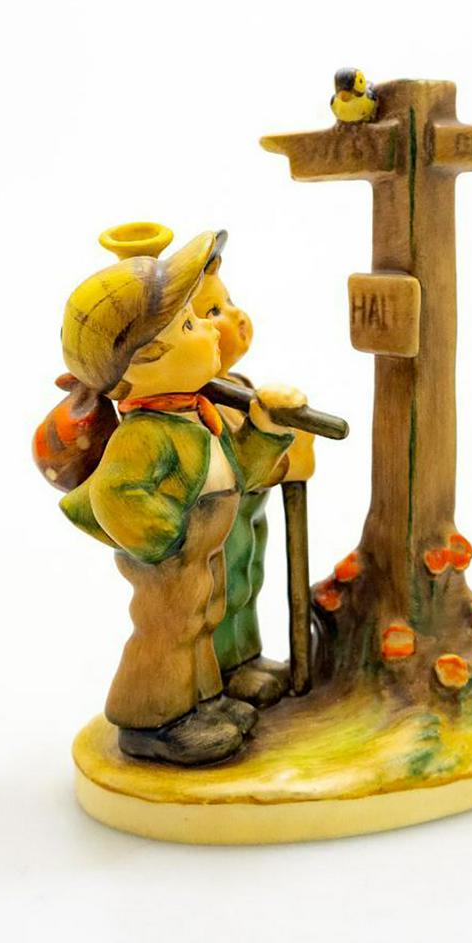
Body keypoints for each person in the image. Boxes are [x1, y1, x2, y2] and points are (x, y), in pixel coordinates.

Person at [57, 229, 306, 765]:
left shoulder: (194, 416)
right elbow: (116, 495)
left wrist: (266, 429)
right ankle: (151, 721)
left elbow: (237, 472)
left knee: (204, 622)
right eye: (191, 324)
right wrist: (171, 541)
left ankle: (203, 704)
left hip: (199, 556)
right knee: (168, 634)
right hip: (173, 561)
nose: (211, 329)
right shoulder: (145, 435)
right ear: (143, 363)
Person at [192, 250, 315, 707]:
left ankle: (247, 657)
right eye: (213, 312)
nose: (236, 317)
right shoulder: (196, 408)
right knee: (224, 594)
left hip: (248, 519)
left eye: (228, 302)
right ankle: (224, 670)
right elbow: (237, 466)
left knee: (249, 580)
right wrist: (274, 437)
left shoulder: (237, 386)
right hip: (217, 530)